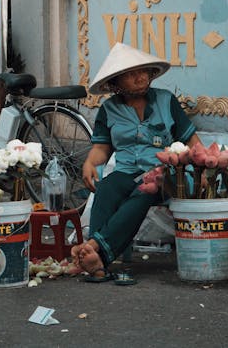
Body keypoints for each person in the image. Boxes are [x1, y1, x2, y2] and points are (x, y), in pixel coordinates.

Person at [72, 42, 202, 281]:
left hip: (167, 175)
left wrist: (202, 170)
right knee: (107, 188)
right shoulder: (109, 109)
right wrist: (90, 163)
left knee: (145, 189)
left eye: (143, 71)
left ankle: (94, 248)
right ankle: (98, 262)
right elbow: (102, 147)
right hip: (127, 173)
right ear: (116, 83)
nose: (140, 77)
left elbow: (193, 142)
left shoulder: (166, 101)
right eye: (131, 74)